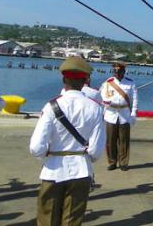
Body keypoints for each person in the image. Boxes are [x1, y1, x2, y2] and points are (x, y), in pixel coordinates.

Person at [29, 57, 105, 226]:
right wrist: (86, 156)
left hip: (53, 169)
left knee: (47, 218)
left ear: (64, 79)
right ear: (85, 80)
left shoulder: (51, 106)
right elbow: (96, 150)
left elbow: (36, 147)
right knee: (72, 219)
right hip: (81, 168)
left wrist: (46, 155)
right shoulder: (95, 108)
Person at [100, 61, 138, 171]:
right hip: (111, 114)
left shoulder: (131, 83)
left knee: (124, 140)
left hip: (124, 114)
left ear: (123, 71)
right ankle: (112, 162)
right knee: (110, 140)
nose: (117, 73)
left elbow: (134, 99)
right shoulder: (107, 83)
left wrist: (134, 113)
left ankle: (123, 162)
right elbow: (102, 98)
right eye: (115, 71)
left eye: (119, 71)